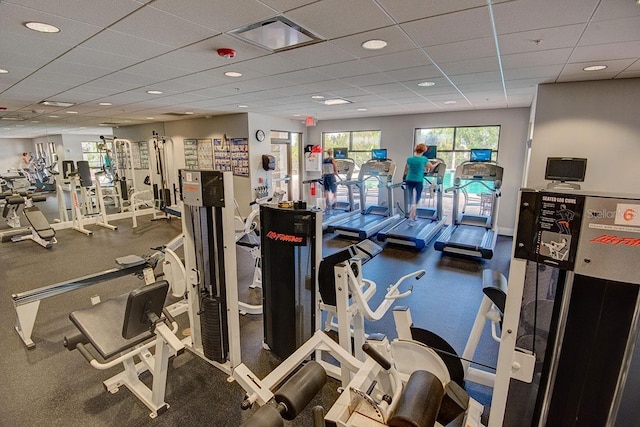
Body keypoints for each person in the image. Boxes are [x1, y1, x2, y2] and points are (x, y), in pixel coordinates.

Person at [405, 144, 429, 225]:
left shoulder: (409, 159)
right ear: (424, 150)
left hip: (409, 179)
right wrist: (437, 163)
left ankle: (413, 215)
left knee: (411, 199)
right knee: (417, 199)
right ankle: (411, 217)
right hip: (418, 180)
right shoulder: (424, 159)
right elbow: (431, 167)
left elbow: (408, 168)